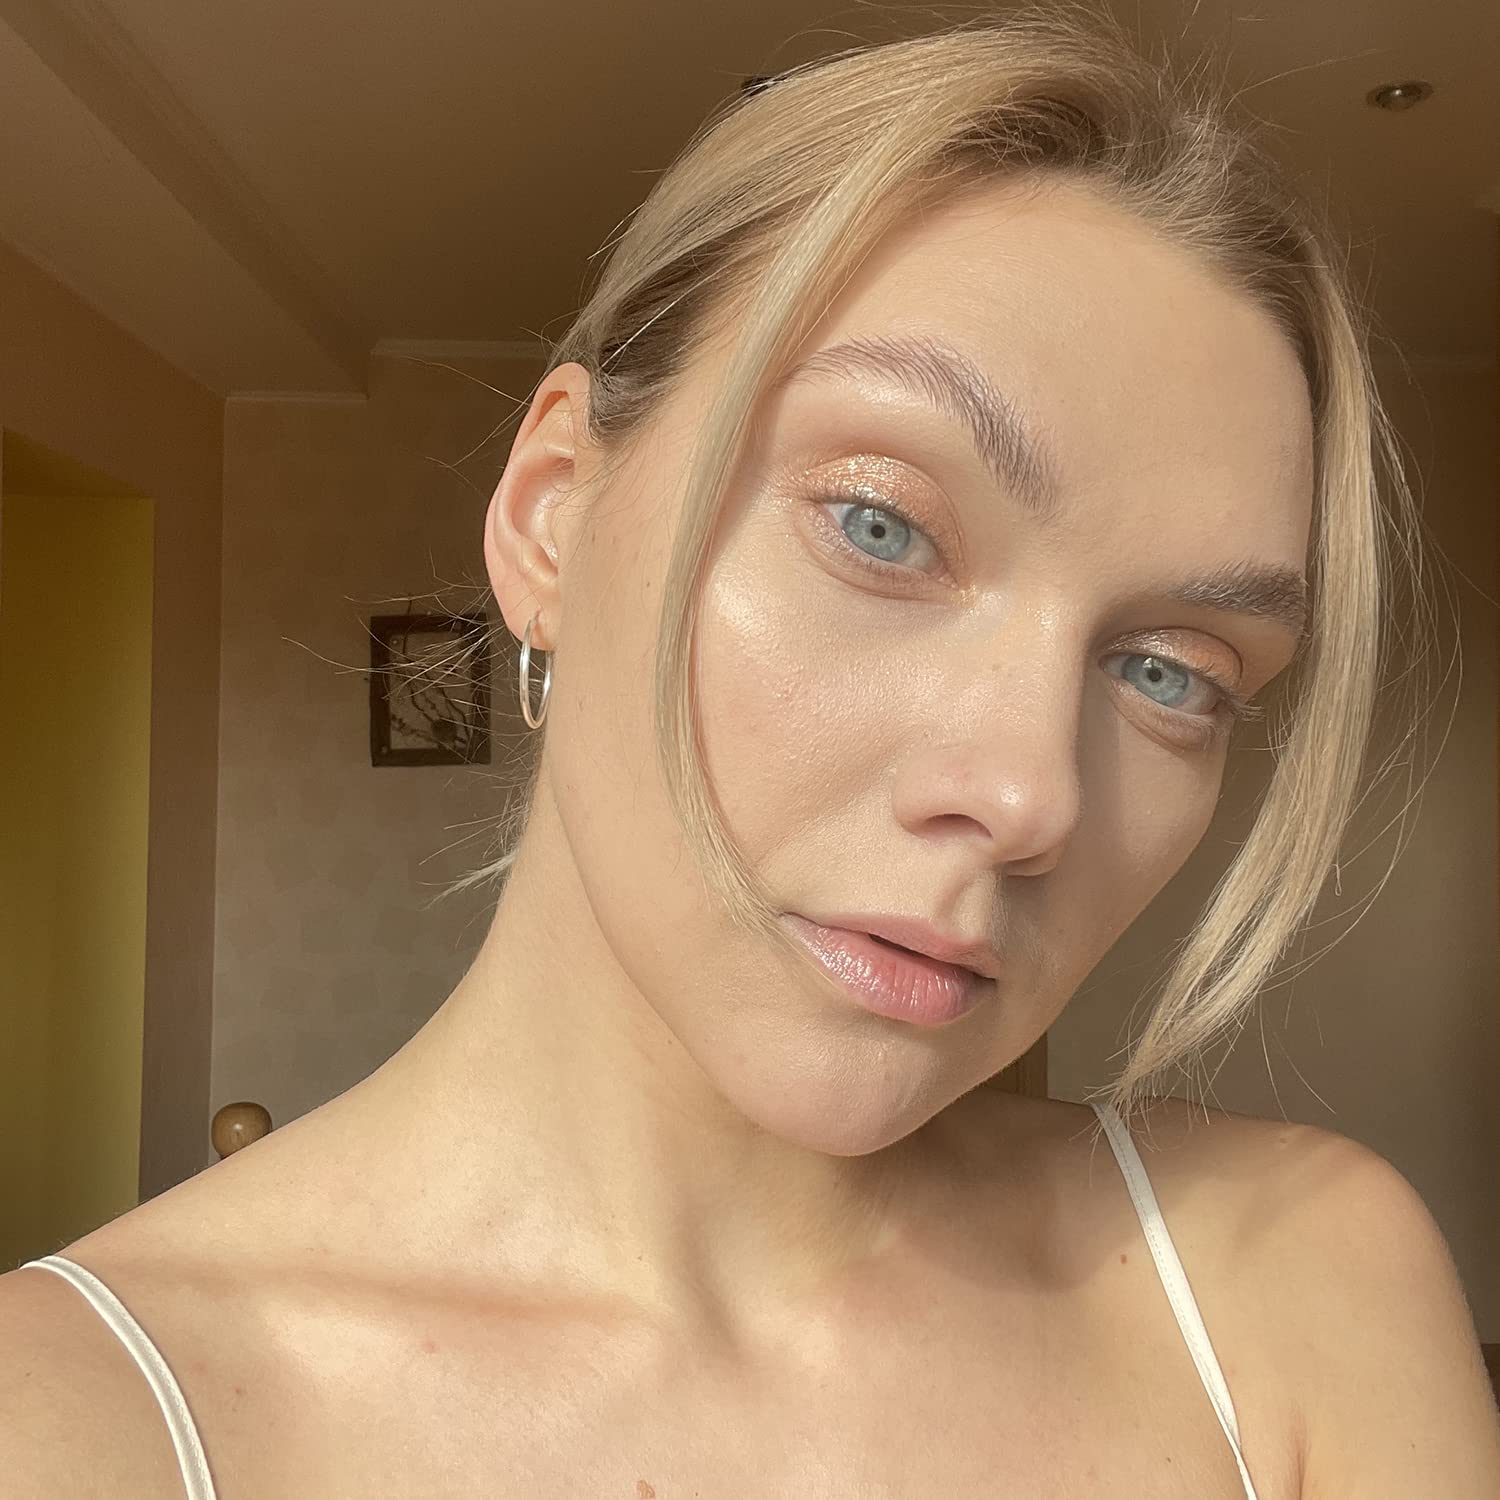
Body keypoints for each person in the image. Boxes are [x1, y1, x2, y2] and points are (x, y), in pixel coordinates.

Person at [5, 6, 1499, 1496]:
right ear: (552, 513)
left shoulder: (1304, 1293)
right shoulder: (72, 1427)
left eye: (1172, 671)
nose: (1029, 797)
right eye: (880, 526)